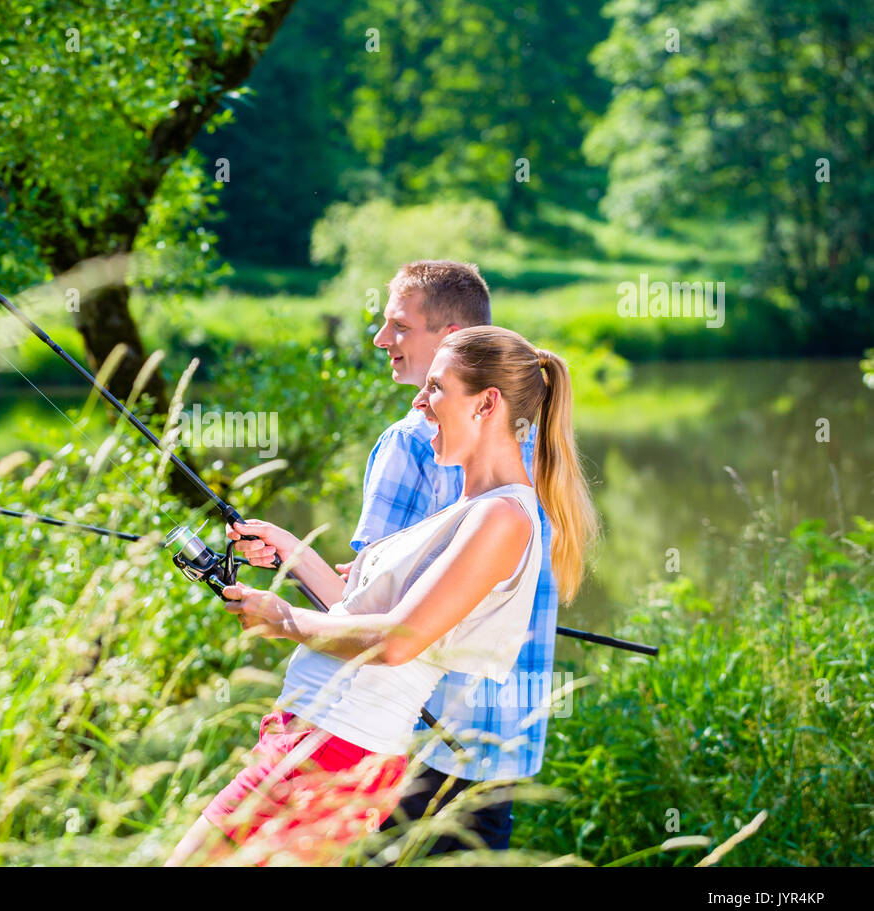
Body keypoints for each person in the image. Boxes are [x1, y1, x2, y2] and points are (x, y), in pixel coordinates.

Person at [164, 326, 597, 865]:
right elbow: (366, 611)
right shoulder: (473, 506)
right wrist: (293, 553)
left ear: (486, 404)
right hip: (318, 734)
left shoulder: (502, 517)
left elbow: (397, 642)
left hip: (336, 745)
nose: (420, 402)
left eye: (437, 388)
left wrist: (283, 620)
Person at [348, 260, 563, 855]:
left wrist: (284, 606)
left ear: (448, 339)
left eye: (398, 326)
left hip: (417, 735)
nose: (381, 340)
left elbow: (365, 610)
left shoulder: (410, 440)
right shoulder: (536, 440)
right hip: (501, 741)